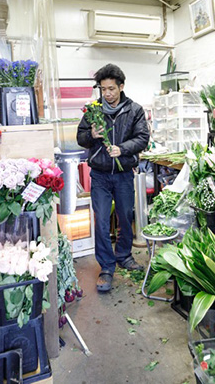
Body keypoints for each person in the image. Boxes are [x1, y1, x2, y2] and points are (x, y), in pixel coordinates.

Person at [77, 64, 150, 293]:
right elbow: (80, 137)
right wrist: (92, 135)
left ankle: (124, 256)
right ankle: (107, 267)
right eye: (103, 89)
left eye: (111, 88)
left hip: (124, 174)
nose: (107, 93)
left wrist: (123, 149)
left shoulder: (134, 110)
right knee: (101, 220)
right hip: (99, 174)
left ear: (121, 87)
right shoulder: (93, 110)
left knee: (126, 216)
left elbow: (143, 138)